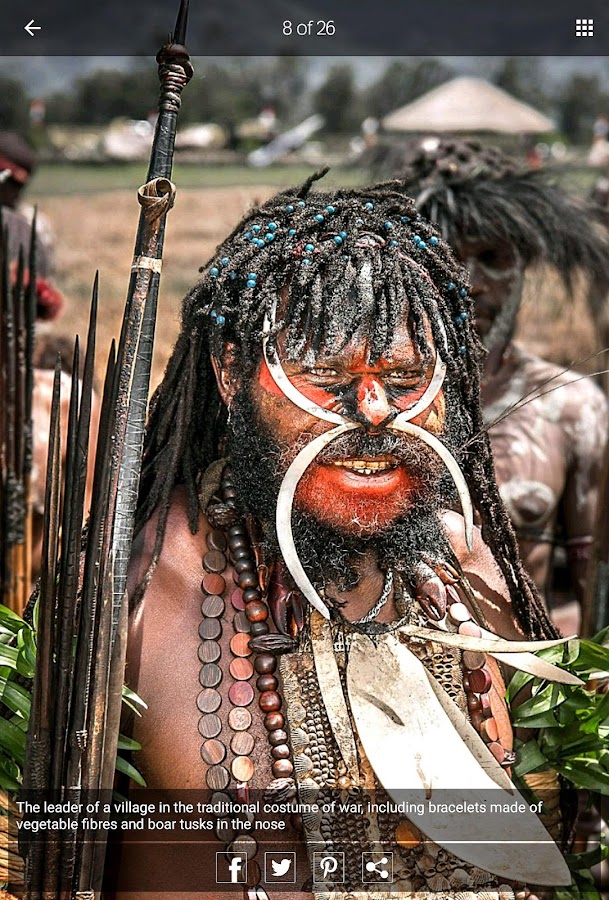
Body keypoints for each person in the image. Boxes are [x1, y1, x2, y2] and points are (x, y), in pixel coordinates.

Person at [112, 175, 578, 899]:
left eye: (405, 377)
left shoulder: (467, 568)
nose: (373, 411)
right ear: (233, 375)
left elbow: (552, 821)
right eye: (326, 376)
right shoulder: (136, 591)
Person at [397, 139, 609, 636]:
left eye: (491, 257)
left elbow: (593, 590)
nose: (470, 282)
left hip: (526, 678)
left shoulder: (570, 408)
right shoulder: (367, 406)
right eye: (447, 257)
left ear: (522, 264)